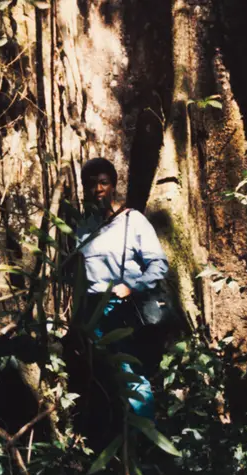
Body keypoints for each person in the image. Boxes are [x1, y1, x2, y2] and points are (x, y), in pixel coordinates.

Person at [75, 157, 169, 422]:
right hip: (93, 312)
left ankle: (142, 442)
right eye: (91, 184)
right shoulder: (83, 227)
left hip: (123, 309)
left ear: (114, 185)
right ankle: (114, 442)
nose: (98, 189)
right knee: (102, 377)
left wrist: (133, 287)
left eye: (104, 183)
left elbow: (159, 265)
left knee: (131, 375)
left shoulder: (133, 221)